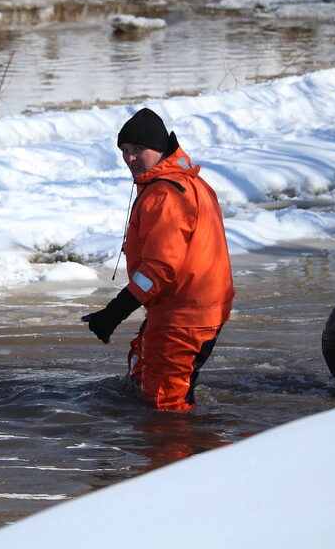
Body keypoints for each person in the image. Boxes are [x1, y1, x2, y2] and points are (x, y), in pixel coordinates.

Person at [82, 108, 234, 410]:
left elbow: (159, 268)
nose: (130, 158)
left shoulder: (165, 195)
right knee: (142, 378)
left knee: (165, 409)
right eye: (125, 151)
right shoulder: (188, 183)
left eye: (138, 149)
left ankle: (177, 455)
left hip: (184, 316)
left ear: (160, 149)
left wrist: (114, 312)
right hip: (191, 308)